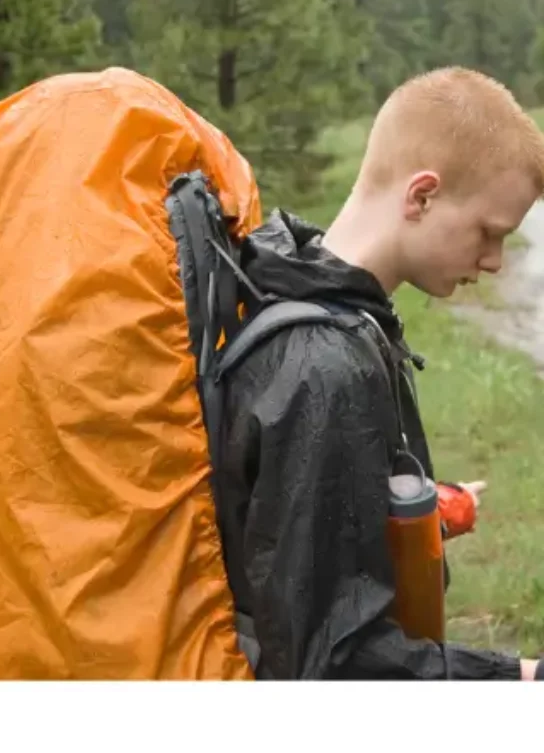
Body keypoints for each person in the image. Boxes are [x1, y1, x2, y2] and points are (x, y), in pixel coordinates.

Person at [217, 66, 544, 680]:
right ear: (421, 196)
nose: (497, 262)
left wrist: (419, 513)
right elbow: (333, 665)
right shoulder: (323, 367)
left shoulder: (301, 291)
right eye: (489, 233)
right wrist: (521, 679)